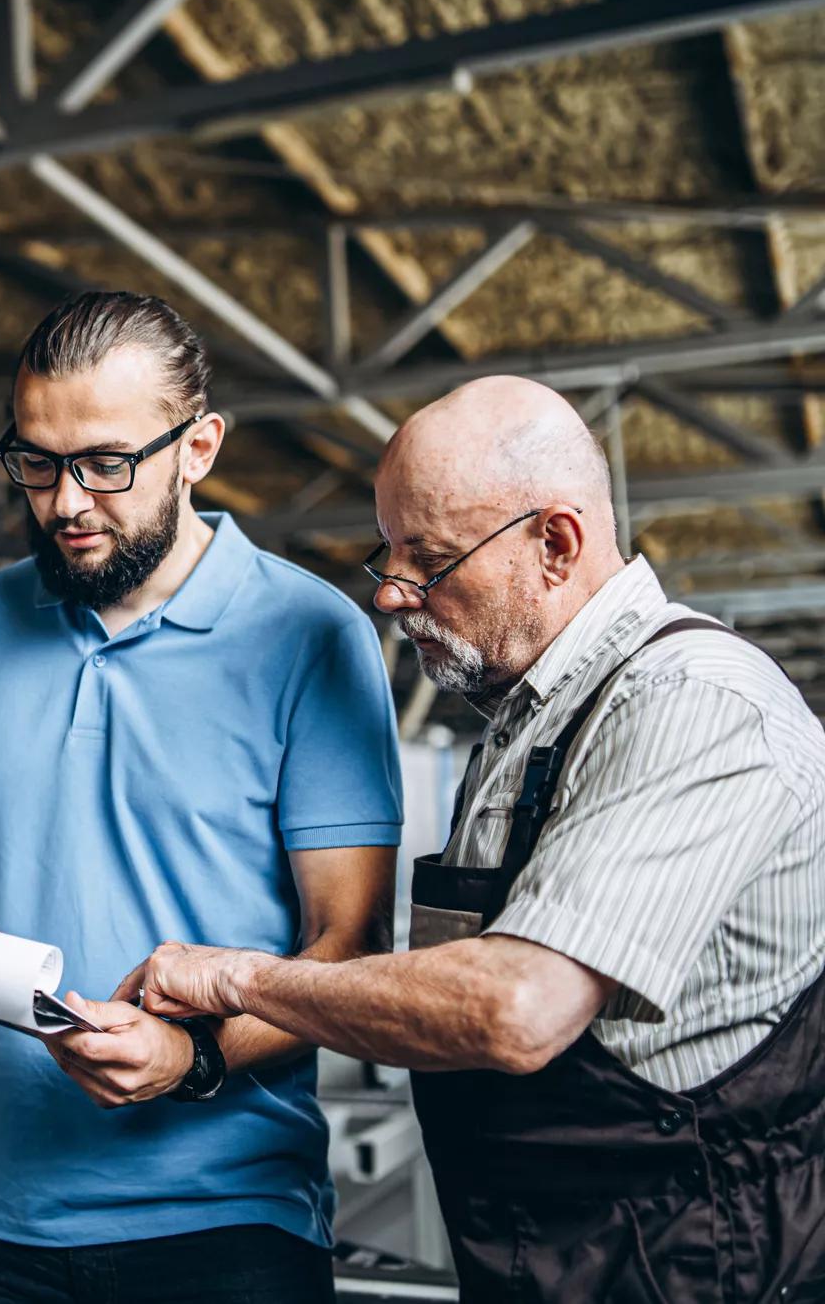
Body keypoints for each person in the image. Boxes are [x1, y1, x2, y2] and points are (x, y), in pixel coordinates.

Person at [125, 375, 825, 1300]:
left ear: (556, 543)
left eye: (433, 560)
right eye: (390, 554)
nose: (393, 595)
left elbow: (515, 1007)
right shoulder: (523, 722)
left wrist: (234, 977)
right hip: (553, 1257)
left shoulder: (694, 703)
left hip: (701, 1267)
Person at [0, 291, 403, 1303]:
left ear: (197, 448)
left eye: (106, 464)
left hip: (229, 1225)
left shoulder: (308, 635)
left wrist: (190, 1057)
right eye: (36, 462)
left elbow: (349, 949)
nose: (64, 502)